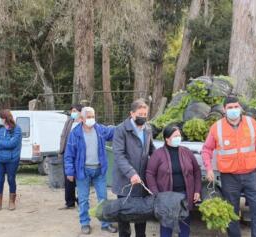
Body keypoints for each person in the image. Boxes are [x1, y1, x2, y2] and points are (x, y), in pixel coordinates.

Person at [201, 96, 256, 237]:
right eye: (230, 108)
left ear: (240, 108)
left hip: (251, 175)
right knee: (232, 213)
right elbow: (206, 150)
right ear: (224, 110)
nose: (233, 110)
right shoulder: (217, 127)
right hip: (229, 177)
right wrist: (208, 168)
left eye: (236, 107)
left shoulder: (251, 124)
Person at [64, 107, 118, 235]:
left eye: (93, 116)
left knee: (103, 198)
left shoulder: (100, 130)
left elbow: (115, 131)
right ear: (81, 119)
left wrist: (128, 122)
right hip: (83, 171)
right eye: (88, 117)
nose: (91, 119)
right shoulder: (75, 134)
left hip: (99, 170)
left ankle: (105, 224)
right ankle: (84, 223)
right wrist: (70, 172)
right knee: (83, 199)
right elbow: (69, 154)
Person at [146, 125, 202, 237]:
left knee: (184, 224)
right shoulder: (158, 154)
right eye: (175, 136)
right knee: (167, 225)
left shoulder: (187, 152)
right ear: (167, 139)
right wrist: (156, 194)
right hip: (167, 196)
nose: (178, 138)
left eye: (179, 135)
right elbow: (149, 173)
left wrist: (197, 190)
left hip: (184, 195)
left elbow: (196, 171)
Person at [112, 99, 155, 237]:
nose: (143, 117)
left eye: (145, 114)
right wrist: (131, 173)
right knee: (124, 217)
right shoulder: (121, 129)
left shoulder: (148, 129)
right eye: (140, 114)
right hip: (125, 181)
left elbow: (152, 151)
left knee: (141, 216)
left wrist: (161, 164)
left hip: (142, 181)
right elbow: (119, 155)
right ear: (132, 113)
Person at [0, 109, 22, 211]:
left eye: (0, 118)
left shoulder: (17, 129)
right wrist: (4, 143)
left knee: (11, 179)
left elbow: (12, 144)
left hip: (12, 159)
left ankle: (12, 201)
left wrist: (1, 143)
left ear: (5, 118)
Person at [58, 104, 82, 210]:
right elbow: (63, 136)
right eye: (72, 111)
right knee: (68, 179)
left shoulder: (84, 123)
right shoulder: (69, 122)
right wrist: (61, 151)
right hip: (68, 154)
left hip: (80, 155)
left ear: (81, 112)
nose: (73, 113)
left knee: (80, 179)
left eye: (75, 111)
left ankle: (81, 200)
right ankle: (70, 202)